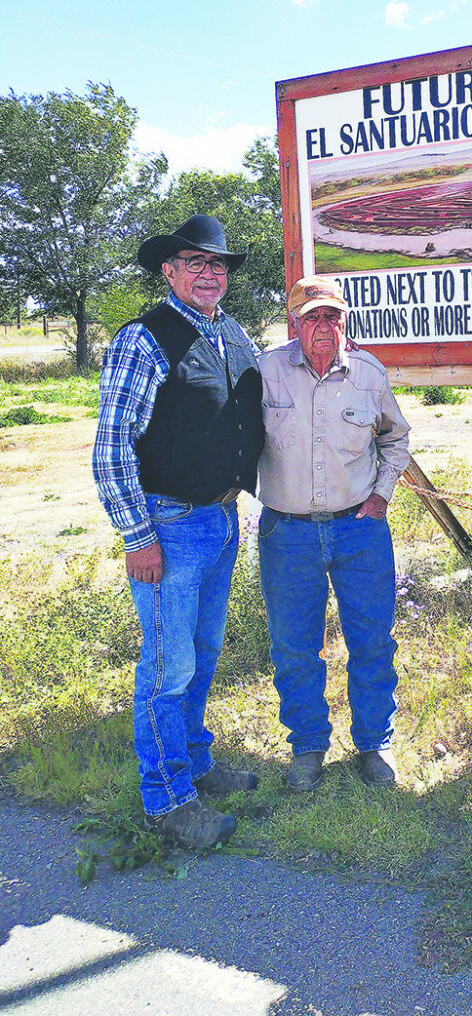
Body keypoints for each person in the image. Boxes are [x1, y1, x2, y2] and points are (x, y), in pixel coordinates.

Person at [93, 214, 264, 849]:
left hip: (220, 519)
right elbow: (112, 449)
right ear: (169, 271)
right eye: (195, 263)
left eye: (217, 265)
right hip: (167, 523)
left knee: (204, 653)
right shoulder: (144, 339)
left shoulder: (231, 333)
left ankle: (194, 760)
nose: (209, 273)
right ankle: (166, 799)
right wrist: (137, 537)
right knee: (168, 666)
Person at [257, 276, 411, 791]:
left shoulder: (368, 373)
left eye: (332, 316)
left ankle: (374, 744)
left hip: (359, 532)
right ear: (295, 323)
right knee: (295, 647)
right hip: (288, 533)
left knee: (371, 641)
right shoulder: (265, 373)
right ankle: (307, 746)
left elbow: (396, 436)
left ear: (344, 320)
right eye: (312, 317)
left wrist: (382, 494)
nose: (323, 327)